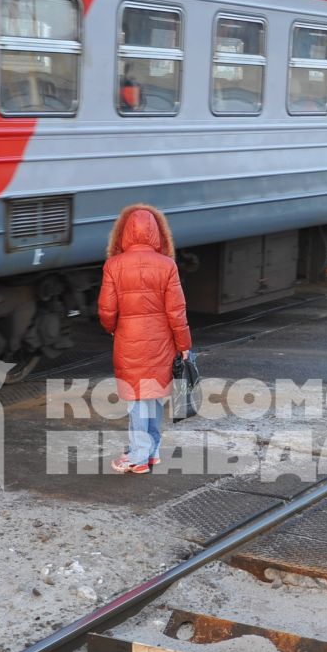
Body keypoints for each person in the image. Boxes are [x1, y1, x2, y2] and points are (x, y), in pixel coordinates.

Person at [98, 203, 191, 474]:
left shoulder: (114, 265)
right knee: (153, 397)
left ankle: (138, 457)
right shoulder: (167, 265)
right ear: (157, 234)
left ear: (124, 234)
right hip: (162, 342)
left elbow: (106, 310)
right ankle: (152, 451)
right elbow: (177, 311)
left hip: (129, 341)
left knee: (138, 399)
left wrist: (112, 328)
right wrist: (184, 345)